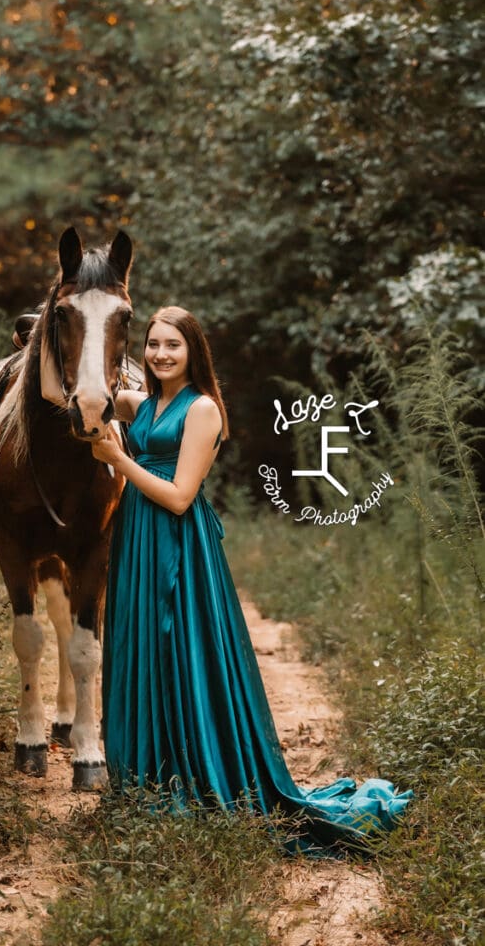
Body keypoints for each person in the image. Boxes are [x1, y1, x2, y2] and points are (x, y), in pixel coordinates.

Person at [91, 305, 412, 855]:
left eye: (173, 345)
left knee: (180, 651)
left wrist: (116, 458)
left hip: (175, 546)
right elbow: (96, 392)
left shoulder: (204, 411)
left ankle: (197, 774)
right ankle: (143, 776)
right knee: (139, 649)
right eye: (153, 344)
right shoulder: (144, 402)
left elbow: (179, 496)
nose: (161, 354)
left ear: (194, 351)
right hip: (135, 542)